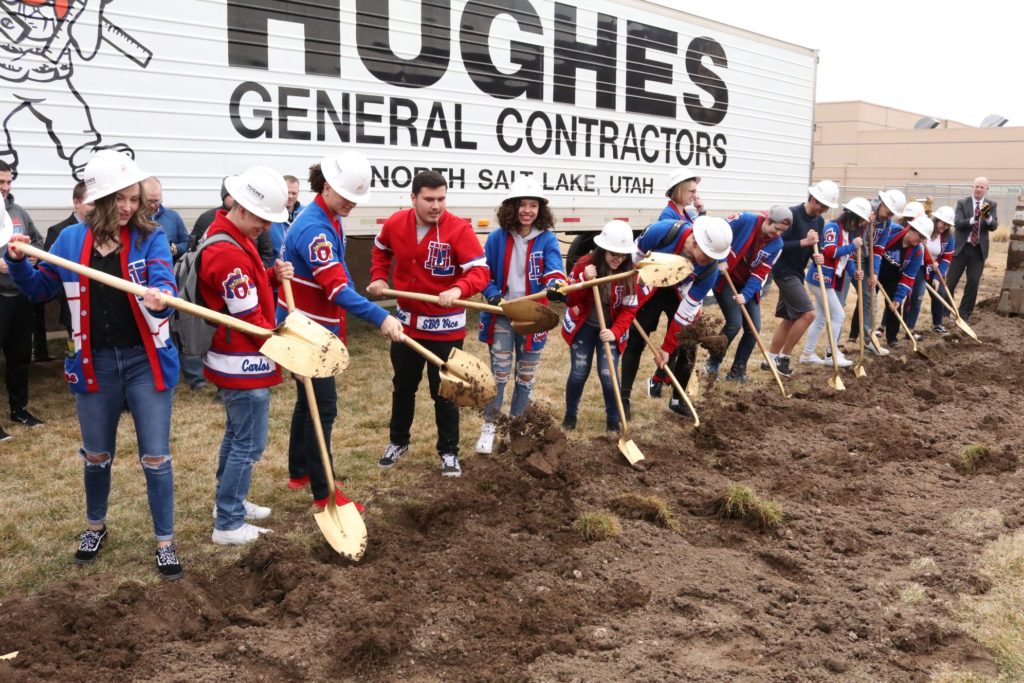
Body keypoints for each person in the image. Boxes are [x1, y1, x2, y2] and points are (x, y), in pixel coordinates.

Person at [4, 150, 183, 580]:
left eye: (134, 198)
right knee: (97, 454)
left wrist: (160, 296)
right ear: (99, 199)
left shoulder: (150, 236)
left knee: (156, 456)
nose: (128, 208)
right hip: (94, 363)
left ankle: (165, 541)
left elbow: (163, 280)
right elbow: (41, 288)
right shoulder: (69, 242)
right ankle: (94, 527)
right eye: (119, 199)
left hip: (146, 362)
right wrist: (18, 263)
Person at [282, 152, 403, 502]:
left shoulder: (329, 215)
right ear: (329, 186)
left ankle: (299, 473)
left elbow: (340, 275)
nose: (352, 202)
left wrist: (355, 288)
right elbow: (335, 290)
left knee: (308, 403)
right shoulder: (314, 227)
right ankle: (325, 492)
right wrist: (381, 316)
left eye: (356, 197)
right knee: (323, 408)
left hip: (312, 325)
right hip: (307, 330)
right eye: (348, 195)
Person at [369, 170, 489, 478]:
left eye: (441, 199)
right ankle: (398, 442)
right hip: (406, 328)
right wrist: (378, 277)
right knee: (403, 386)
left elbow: (479, 271)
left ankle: (449, 452)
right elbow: (380, 249)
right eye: (429, 199)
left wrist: (458, 289)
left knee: (445, 392)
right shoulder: (396, 223)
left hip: (445, 328)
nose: (436, 205)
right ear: (413, 198)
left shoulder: (459, 229)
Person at [199, 166, 294, 545]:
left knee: (237, 434)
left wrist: (270, 277)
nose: (266, 227)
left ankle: (229, 500)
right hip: (243, 362)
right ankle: (229, 522)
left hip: (235, 358)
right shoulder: (227, 252)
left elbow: (245, 293)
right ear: (240, 207)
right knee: (248, 443)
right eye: (262, 219)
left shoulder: (230, 235)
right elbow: (250, 320)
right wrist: (285, 350)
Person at [476, 177, 566, 454]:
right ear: (511, 208)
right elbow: (483, 272)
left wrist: (555, 285)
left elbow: (554, 269)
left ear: (540, 209)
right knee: (499, 374)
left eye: (533, 205)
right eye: (522, 205)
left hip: (533, 315)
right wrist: (492, 293)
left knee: (526, 377)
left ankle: (517, 428)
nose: (527, 210)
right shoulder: (496, 238)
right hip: (503, 312)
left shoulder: (547, 239)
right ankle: (490, 427)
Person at [619, 168, 703, 412]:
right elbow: (639, 253)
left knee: (686, 338)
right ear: (678, 190)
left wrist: (700, 212)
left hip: (677, 289)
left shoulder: (686, 213)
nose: (694, 195)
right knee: (637, 340)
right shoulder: (667, 217)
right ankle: (624, 397)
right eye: (691, 191)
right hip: (655, 287)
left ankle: (675, 395)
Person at [560, 221, 638, 432]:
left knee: (608, 374)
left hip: (610, 331)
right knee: (578, 372)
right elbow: (569, 299)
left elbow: (629, 309)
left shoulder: (629, 274)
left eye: (622, 255)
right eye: (613, 253)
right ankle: (570, 416)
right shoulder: (584, 264)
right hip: (583, 327)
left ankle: (613, 421)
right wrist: (585, 280)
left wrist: (615, 332)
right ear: (603, 249)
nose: (618, 259)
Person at [652, 215, 732, 416]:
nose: (709, 260)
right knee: (663, 346)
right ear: (696, 243)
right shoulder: (668, 232)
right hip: (661, 291)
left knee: (687, 345)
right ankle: (657, 381)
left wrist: (668, 346)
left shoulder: (709, 269)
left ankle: (678, 398)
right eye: (707, 255)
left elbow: (686, 312)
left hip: (688, 300)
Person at [762, 180, 838, 376]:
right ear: (813, 199)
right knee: (808, 314)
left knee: (790, 318)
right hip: (782, 269)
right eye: (822, 205)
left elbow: (814, 248)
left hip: (797, 271)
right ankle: (783, 359)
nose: (823, 210)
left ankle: (769, 359)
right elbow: (777, 244)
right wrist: (804, 242)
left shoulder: (819, 221)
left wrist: (817, 255)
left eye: (827, 207)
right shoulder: (792, 215)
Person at [706, 205, 789, 382]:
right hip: (725, 277)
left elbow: (760, 273)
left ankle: (737, 372)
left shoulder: (777, 245)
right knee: (734, 323)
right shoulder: (745, 220)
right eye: (776, 229)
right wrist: (720, 259)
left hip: (747, 285)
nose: (777, 234)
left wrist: (747, 294)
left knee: (754, 328)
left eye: (782, 231)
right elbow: (718, 231)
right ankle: (713, 362)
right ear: (767, 220)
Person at [0, 159, 46, 440]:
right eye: (0, 182)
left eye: (8, 182)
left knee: (19, 357)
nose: (5, 187)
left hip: (19, 296)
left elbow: (39, 242)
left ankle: (19, 409)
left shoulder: (18, 212)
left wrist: (33, 254)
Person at [800, 198, 870, 367]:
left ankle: (807, 354)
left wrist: (855, 273)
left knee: (821, 318)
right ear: (851, 216)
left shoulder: (849, 233)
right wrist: (852, 246)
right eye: (859, 220)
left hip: (829, 281)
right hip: (819, 279)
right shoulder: (832, 227)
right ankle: (830, 354)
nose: (860, 225)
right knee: (838, 315)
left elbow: (848, 260)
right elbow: (831, 251)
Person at [848, 188, 905, 352]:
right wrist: (864, 222)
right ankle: (834, 345)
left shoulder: (886, 224)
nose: (889, 216)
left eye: (892, 214)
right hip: (848, 255)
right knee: (840, 299)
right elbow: (847, 229)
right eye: (888, 211)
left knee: (869, 297)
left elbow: (879, 249)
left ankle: (868, 339)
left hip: (866, 259)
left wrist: (874, 273)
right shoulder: (863, 208)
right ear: (882, 203)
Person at [871, 213, 931, 349]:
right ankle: (856, 334)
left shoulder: (917, 252)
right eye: (919, 236)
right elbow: (876, 237)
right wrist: (873, 272)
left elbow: (908, 277)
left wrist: (898, 298)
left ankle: (892, 338)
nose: (920, 240)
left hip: (893, 277)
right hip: (875, 270)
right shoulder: (893, 231)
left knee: (894, 307)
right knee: (867, 301)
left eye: (923, 238)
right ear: (911, 229)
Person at [44, 181, 91, 343]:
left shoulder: (101, 230)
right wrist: (68, 296)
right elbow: (49, 271)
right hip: (73, 305)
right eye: (91, 203)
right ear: (76, 202)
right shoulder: (59, 231)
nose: (96, 208)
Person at [947, 177, 998, 321]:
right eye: (976, 186)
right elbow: (957, 224)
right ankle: (944, 312)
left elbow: (993, 226)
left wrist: (987, 218)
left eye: (982, 187)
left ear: (986, 189)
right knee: (951, 282)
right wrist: (974, 219)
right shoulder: (963, 203)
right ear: (972, 187)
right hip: (961, 248)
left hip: (978, 250)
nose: (978, 189)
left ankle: (964, 315)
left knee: (973, 282)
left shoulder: (991, 205)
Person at [910, 205, 956, 335]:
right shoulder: (925, 228)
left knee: (940, 292)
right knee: (917, 296)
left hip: (935, 269)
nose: (945, 227)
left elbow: (946, 259)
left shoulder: (949, 237)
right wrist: (929, 263)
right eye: (943, 223)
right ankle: (910, 327)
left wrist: (937, 277)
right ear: (936, 220)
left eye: (948, 225)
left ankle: (937, 324)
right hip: (919, 265)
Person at [142, 177, 190, 262]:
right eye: (149, 201)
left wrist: (176, 249)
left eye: (156, 201)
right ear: (141, 197)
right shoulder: (134, 218)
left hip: (168, 270)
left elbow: (187, 242)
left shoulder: (173, 216)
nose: (153, 205)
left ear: (161, 196)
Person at [269, 174, 304, 259]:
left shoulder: (304, 214)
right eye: (287, 192)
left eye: (294, 193)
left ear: (298, 193)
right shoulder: (269, 214)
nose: (290, 196)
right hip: (273, 269)